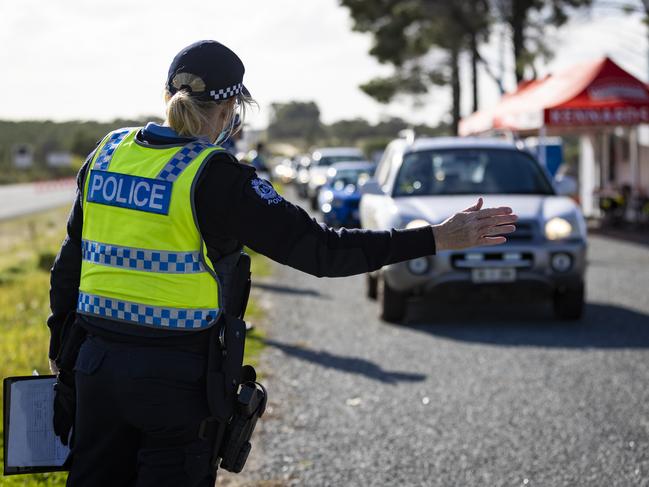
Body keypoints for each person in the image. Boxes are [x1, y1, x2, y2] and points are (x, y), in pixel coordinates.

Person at [46, 40, 517, 487]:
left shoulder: (107, 154)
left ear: (167, 95)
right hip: (176, 383)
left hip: (95, 369)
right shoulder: (217, 177)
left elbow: (69, 264)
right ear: (231, 111)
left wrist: (60, 349)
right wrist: (434, 237)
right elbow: (324, 252)